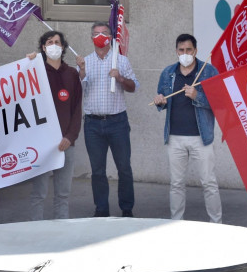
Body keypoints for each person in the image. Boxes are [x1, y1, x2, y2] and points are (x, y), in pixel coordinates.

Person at [152, 34, 222, 223]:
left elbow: (219, 102)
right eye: (181, 50)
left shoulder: (208, 71)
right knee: (176, 184)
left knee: (209, 183)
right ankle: (176, 223)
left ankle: (217, 225)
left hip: (201, 137)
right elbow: (162, 99)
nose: (185, 54)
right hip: (174, 137)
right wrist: (160, 101)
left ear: (196, 51)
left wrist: (197, 96)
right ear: (176, 51)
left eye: (188, 50)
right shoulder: (168, 73)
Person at [77, 21, 139, 217]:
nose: (100, 36)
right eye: (96, 33)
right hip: (93, 124)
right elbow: (78, 91)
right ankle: (101, 209)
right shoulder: (85, 62)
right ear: (91, 38)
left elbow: (133, 87)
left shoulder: (120, 61)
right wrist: (81, 73)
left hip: (117, 123)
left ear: (111, 37)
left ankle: (127, 208)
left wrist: (120, 78)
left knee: (124, 168)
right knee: (97, 170)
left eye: (104, 33)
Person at [26, 30, 82, 220]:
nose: (54, 46)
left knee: (63, 194)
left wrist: (70, 137)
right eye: (49, 42)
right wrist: (27, 63)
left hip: (66, 143)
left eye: (57, 42)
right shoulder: (34, 71)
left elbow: (76, 110)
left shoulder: (72, 74)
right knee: (38, 194)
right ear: (43, 47)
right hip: (41, 144)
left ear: (63, 47)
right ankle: (36, 233)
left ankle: (61, 234)